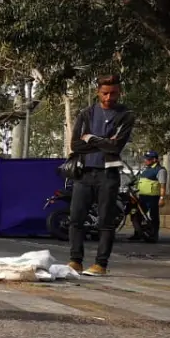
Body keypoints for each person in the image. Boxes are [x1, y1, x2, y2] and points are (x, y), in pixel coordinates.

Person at [68, 75, 135, 276]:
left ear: (119, 92)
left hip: (109, 174)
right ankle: (75, 261)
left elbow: (116, 146)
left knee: (106, 220)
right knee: (76, 218)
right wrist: (103, 141)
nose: (108, 97)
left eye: (113, 93)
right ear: (98, 92)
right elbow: (75, 145)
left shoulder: (126, 115)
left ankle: (101, 264)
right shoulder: (86, 114)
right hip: (84, 172)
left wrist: (90, 138)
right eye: (105, 93)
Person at [133, 151, 166, 243]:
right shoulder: (145, 169)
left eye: (148, 159)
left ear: (154, 159)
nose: (145, 160)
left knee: (153, 217)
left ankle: (154, 235)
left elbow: (163, 186)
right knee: (136, 216)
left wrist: (162, 198)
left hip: (153, 197)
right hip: (142, 197)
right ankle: (138, 234)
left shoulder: (160, 170)